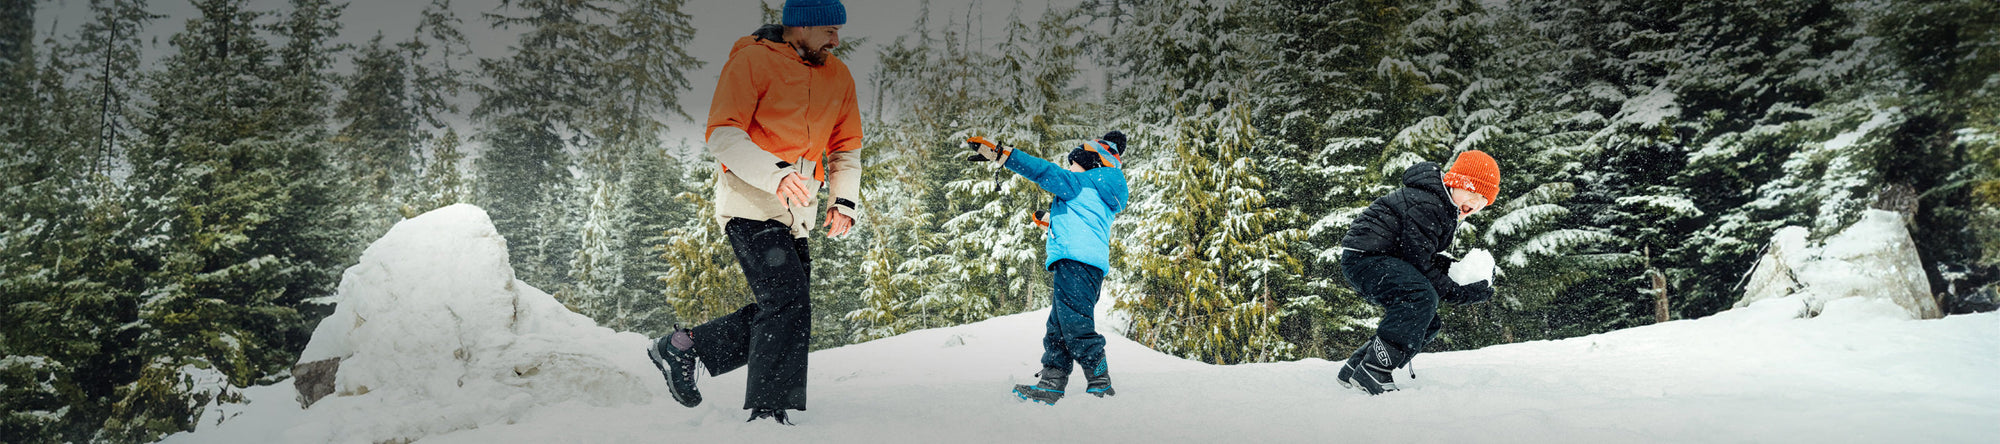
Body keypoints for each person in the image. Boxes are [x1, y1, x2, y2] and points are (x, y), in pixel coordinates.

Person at [645, 0, 861, 425]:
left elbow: (845, 148)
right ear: (799, 26)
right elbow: (723, 133)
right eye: (828, 31)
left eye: (838, 30)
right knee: (786, 302)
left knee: (787, 308)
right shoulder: (752, 61)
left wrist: (844, 201)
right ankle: (768, 413)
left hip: (797, 213)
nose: (837, 40)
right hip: (749, 203)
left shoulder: (838, 74)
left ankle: (683, 347)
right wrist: (775, 174)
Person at [969, 131, 1131, 405]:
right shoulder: (1102, 194)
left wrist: (1003, 154)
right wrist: (1053, 221)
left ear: (1091, 163)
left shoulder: (1078, 182)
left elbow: (1043, 171)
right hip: (1085, 266)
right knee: (1058, 327)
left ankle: (1100, 381)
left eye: (1074, 164)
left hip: (1075, 264)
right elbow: (1086, 225)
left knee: (1075, 326)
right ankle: (1051, 383)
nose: (1070, 169)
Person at [1335, 150, 1501, 395]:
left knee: (1426, 320)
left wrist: (1458, 274)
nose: (1475, 203)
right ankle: (1375, 369)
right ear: (1454, 184)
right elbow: (1420, 263)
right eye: (1472, 192)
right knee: (1420, 298)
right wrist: (1461, 293)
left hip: (1380, 257)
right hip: (1367, 258)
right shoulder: (1429, 204)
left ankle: (1358, 366)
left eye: (1483, 200)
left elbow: (1421, 256)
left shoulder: (1440, 205)